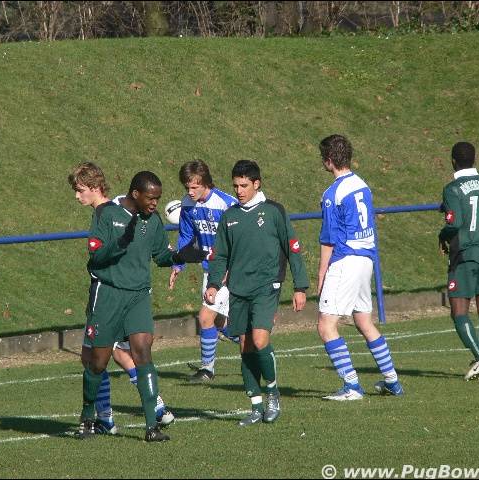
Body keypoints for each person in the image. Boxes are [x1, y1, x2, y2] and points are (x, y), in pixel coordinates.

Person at [68, 163, 204, 442]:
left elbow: (160, 255)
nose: (155, 204)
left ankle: (152, 426)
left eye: (158, 198)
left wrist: (181, 256)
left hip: (139, 296)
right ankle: (88, 417)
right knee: (97, 363)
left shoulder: (152, 221)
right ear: (135, 194)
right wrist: (119, 244)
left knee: (143, 352)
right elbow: (96, 257)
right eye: (150, 198)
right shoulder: (107, 214)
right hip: (108, 294)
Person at [205, 160, 309, 426]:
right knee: (245, 345)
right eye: (236, 186)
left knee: (260, 340)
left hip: (266, 286)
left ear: (256, 184)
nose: (239, 191)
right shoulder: (229, 216)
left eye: (244, 185)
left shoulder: (273, 211)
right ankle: (255, 406)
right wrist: (213, 284)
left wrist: (300, 287)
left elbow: (292, 248)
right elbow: (220, 255)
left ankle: (272, 393)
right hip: (238, 289)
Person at [316, 134, 403, 401]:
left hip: (346, 260)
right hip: (366, 259)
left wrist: (321, 274)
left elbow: (329, 239)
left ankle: (352, 386)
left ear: (328, 160)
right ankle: (392, 381)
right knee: (364, 321)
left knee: (326, 325)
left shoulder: (332, 194)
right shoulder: (363, 185)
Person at [168, 160, 238, 383]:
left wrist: (230, 268)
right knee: (218, 322)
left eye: (195, 187)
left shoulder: (226, 204)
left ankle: (207, 370)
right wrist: (178, 264)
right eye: (187, 187)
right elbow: (186, 236)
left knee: (205, 316)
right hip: (209, 269)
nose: (190, 192)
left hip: (228, 271)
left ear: (206, 182)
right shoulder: (187, 204)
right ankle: (253, 344)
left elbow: (240, 239)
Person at [439, 142, 479, 381]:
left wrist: (442, 235)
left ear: (453, 161)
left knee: (458, 309)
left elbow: (454, 223)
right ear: (475, 159)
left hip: (466, 251)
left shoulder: (452, 188)